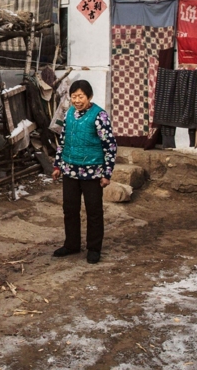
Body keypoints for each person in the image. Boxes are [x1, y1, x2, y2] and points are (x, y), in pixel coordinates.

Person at [51, 79, 117, 264]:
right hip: (70, 170)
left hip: (93, 172)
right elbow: (62, 141)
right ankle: (71, 245)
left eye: (81, 96)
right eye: (74, 97)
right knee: (70, 209)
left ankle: (94, 248)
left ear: (90, 97)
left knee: (93, 211)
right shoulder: (70, 113)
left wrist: (107, 173)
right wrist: (57, 166)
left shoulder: (99, 116)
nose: (77, 100)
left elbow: (110, 145)